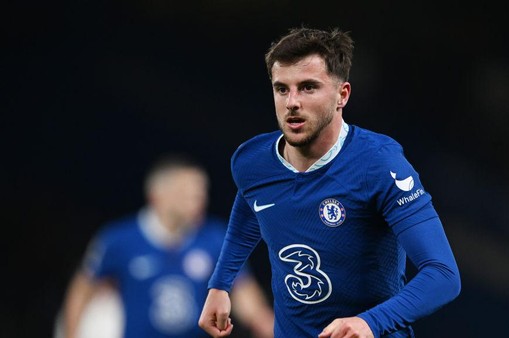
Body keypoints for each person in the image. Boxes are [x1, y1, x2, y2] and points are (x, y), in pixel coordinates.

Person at [198, 26, 461, 338]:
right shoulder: (251, 161)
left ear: (342, 95)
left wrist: (370, 323)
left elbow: (443, 275)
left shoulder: (379, 165)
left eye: (308, 88)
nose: (292, 102)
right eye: (282, 89)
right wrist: (221, 284)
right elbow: (249, 207)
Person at [60, 154, 274, 338]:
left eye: (201, 193)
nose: (199, 200)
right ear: (157, 196)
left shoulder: (216, 238)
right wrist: (71, 333)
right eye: (188, 193)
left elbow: (241, 290)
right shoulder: (118, 239)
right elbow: (83, 288)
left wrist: (262, 321)